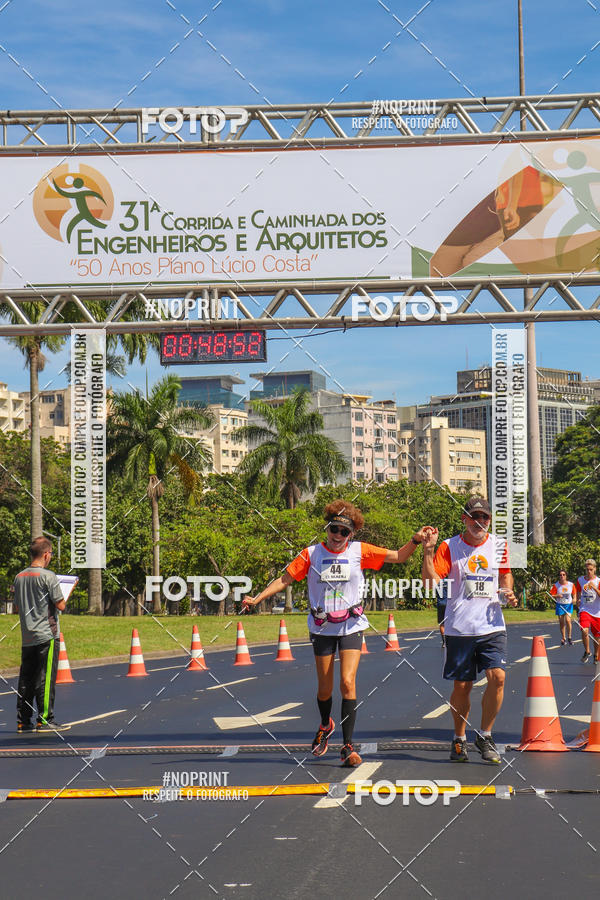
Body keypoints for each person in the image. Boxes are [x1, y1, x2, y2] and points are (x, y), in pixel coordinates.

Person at [243, 499, 430, 767]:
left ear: (351, 534)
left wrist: (415, 539)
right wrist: (258, 598)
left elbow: (398, 556)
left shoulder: (360, 551)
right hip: (322, 626)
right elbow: (285, 579)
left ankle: (348, 746)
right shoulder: (311, 554)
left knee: (347, 682)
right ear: (327, 529)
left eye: (344, 532)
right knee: (325, 688)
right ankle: (325, 724)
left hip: (351, 625)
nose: (338, 536)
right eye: (334, 530)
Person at [422, 496, 517, 765]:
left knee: (497, 677)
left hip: (492, 625)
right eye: (475, 516)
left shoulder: (499, 545)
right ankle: (460, 737)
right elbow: (430, 584)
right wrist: (428, 552)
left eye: (484, 517)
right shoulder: (448, 547)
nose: (480, 522)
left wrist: (507, 588)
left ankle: (485, 735)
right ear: (465, 519)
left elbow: (506, 574)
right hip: (460, 628)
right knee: (462, 686)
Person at [14, 537, 70, 733]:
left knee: (26, 679)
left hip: (27, 635)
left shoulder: (19, 576)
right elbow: (60, 604)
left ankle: (23, 720)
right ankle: (46, 719)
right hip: (47, 634)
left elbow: (17, 606)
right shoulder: (48, 576)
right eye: (51, 554)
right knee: (45, 679)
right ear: (46, 554)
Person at [575, 559, 600, 663]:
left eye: (591, 569)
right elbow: (577, 591)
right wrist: (577, 600)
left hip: (597, 612)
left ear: (594, 569)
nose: (589, 571)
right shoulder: (581, 580)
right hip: (585, 609)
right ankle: (587, 651)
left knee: (597, 636)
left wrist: (595, 588)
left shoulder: (598, 581)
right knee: (584, 630)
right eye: (587, 569)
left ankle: (596, 654)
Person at [550, 570, 574, 646]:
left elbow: (575, 593)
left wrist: (575, 599)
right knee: (561, 621)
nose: (562, 576)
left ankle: (569, 637)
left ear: (566, 576)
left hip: (568, 605)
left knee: (568, 620)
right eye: (560, 575)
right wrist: (557, 595)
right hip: (560, 605)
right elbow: (552, 595)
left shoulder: (571, 584)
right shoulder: (556, 585)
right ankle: (563, 638)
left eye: (563, 575)